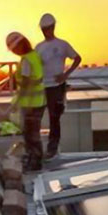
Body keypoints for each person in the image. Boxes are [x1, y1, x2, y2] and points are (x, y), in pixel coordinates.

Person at [35, 12, 82, 160]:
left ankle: (52, 149)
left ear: (53, 27)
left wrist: (65, 75)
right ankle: (37, 149)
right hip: (42, 87)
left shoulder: (62, 45)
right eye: (43, 29)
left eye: (48, 28)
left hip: (56, 87)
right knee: (36, 117)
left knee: (54, 118)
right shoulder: (39, 47)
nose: (46, 31)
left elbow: (77, 58)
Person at [5, 31, 46, 171]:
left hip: (31, 103)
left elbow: (27, 83)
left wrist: (19, 101)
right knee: (33, 133)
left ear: (20, 45)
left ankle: (34, 163)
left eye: (14, 49)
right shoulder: (34, 56)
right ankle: (35, 160)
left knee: (30, 135)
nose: (14, 52)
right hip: (38, 101)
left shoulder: (27, 60)